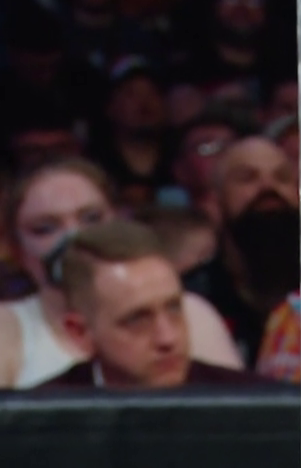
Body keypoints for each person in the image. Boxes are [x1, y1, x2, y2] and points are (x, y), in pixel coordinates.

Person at [0, 158, 242, 388]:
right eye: (45, 228)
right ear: (15, 247)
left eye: (91, 218)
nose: (74, 237)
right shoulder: (8, 329)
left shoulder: (195, 314)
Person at [37, 219, 266, 388]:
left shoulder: (256, 406)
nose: (168, 338)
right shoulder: (35, 423)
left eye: (174, 308)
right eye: (137, 319)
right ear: (80, 333)